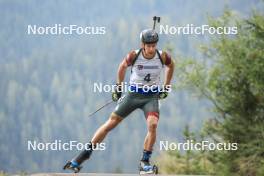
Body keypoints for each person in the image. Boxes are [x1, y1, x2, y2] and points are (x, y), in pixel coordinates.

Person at [63, 29, 174, 174]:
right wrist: (118, 88)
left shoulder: (162, 56)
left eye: (154, 45)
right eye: (149, 45)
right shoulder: (134, 55)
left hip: (151, 97)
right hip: (133, 95)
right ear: (143, 45)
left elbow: (171, 66)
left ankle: (144, 162)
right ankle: (81, 157)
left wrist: (166, 86)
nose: (152, 48)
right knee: (110, 124)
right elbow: (122, 67)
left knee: (153, 125)